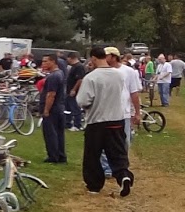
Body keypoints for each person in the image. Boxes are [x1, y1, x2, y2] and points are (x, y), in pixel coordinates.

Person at [75, 45, 133, 196]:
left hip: (97, 121)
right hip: (116, 119)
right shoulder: (119, 75)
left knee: (93, 155)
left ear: (93, 58)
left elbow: (82, 101)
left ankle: (94, 185)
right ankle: (123, 176)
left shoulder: (91, 77)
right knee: (118, 152)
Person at [38, 53, 68, 164]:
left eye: (46, 61)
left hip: (53, 108)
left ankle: (53, 156)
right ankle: (61, 155)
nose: (43, 64)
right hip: (59, 107)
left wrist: (46, 110)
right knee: (59, 133)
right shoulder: (60, 73)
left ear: (53, 62)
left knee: (51, 133)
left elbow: (51, 94)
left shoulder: (53, 76)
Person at [64, 51, 87, 131]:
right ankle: (67, 123)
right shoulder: (73, 66)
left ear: (71, 58)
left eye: (68, 58)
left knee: (75, 108)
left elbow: (80, 79)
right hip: (68, 90)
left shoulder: (79, 67)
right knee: (67, 108)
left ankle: (77, 125)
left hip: (74, 91)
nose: (67, 60)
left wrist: (74, 89)